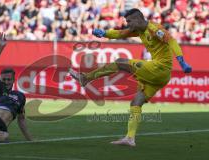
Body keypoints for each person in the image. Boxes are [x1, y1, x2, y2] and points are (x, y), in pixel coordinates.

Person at [69, 8, 192, 147]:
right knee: (136, 102)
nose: (128, 24)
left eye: (129, 21)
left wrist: (182, 61)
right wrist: (104, 33)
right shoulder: (139, 29)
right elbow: (120, 33)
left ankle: (86, 78)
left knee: (120, 62)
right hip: (161, 76)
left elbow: (172, 42)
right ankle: (130, 138)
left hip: (159, 69)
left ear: (138, 19)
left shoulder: (154, 28)